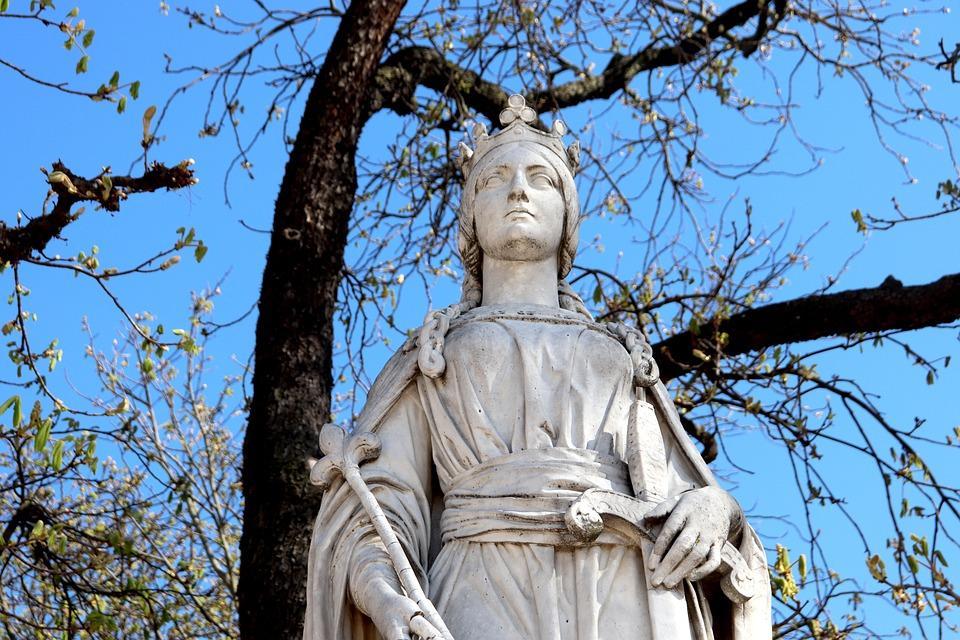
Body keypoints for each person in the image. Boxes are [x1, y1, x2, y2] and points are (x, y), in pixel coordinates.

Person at [303, 95, 771, 640]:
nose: (518, 189)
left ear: (568, 215)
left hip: (628, 585)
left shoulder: (621, 355)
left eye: (540, 178)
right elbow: (377, 507)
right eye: (495, 178)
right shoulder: (432, 353)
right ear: (471, 220)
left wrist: (716, 510)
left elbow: (676, 488)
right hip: (482, 581)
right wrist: (386, 599)